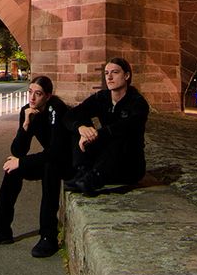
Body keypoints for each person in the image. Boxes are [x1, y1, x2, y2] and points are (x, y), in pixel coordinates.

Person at [0, 75, 72, 258]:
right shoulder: (27, 111)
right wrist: (26, 126)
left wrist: (22, 161)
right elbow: (18, 150)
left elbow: (57, 152)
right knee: (13, 169)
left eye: (38, 94)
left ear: (48, 96)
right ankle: (1, 229)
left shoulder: (57, 110)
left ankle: (48, 236)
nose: (32, 98)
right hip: (51, 158)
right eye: (30, 92)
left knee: (50, 166)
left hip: (69, 162)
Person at [64, 57, 149, 195]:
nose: (109, 77)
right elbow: (71, 115)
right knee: (80, 124)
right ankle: (83, 171)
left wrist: (97, 134)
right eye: (106, 73)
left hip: (128, 164)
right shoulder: (102, 97)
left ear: (126, 76)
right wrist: (81, 128)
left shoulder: (137, 103)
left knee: (119, 135)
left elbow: (126, 127)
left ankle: (94, 177)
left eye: (114, 72)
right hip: (105, 158)